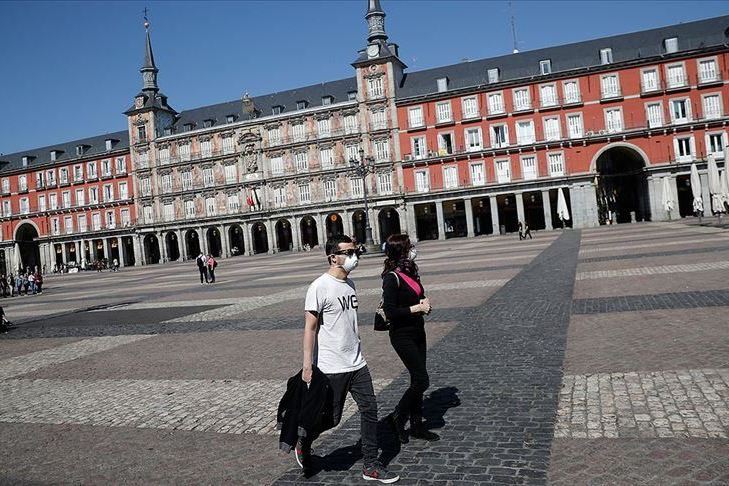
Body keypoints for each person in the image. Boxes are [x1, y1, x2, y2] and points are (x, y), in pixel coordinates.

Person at [299, 235, 399, 483]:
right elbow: (310, 329)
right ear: (334, 257)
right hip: (332, 366)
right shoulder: (319, 287)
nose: (355, 256)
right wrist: (307, 365)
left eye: (356, 251)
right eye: (349, 252)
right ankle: (304, 439)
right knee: (332, 419)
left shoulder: (350, 284)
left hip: (357, 362)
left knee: (370, 410)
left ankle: (370, 465)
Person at [382, 234, 439, 444]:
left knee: (417, 380)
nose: (414, 248)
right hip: (401, 334)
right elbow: (390, 312)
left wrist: (424, 301)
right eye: (410, 246)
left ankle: (417, 425)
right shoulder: (391, 278)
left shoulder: (411, 272)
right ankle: (397, 416)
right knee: (422, 379)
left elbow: (417, 295)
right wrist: (417, 308)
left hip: (417, 330)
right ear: (402, 251)